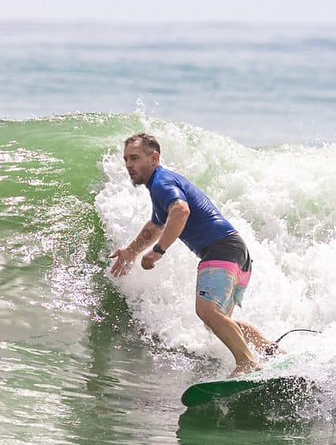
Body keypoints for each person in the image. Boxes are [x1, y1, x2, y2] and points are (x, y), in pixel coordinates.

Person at [109, 132, 277, 377]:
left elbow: (180, 210)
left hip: (220, 250)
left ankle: (247, 361)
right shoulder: (163, 185)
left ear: (154, 157)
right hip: (237, 252)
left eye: (134, 158)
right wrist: (131, 252)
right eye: (126, 160)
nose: (129, 165)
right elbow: (156, 225)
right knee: (217, 321)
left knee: (207, 312)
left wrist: (157, 252)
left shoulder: (161, 183)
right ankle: (270, 350)